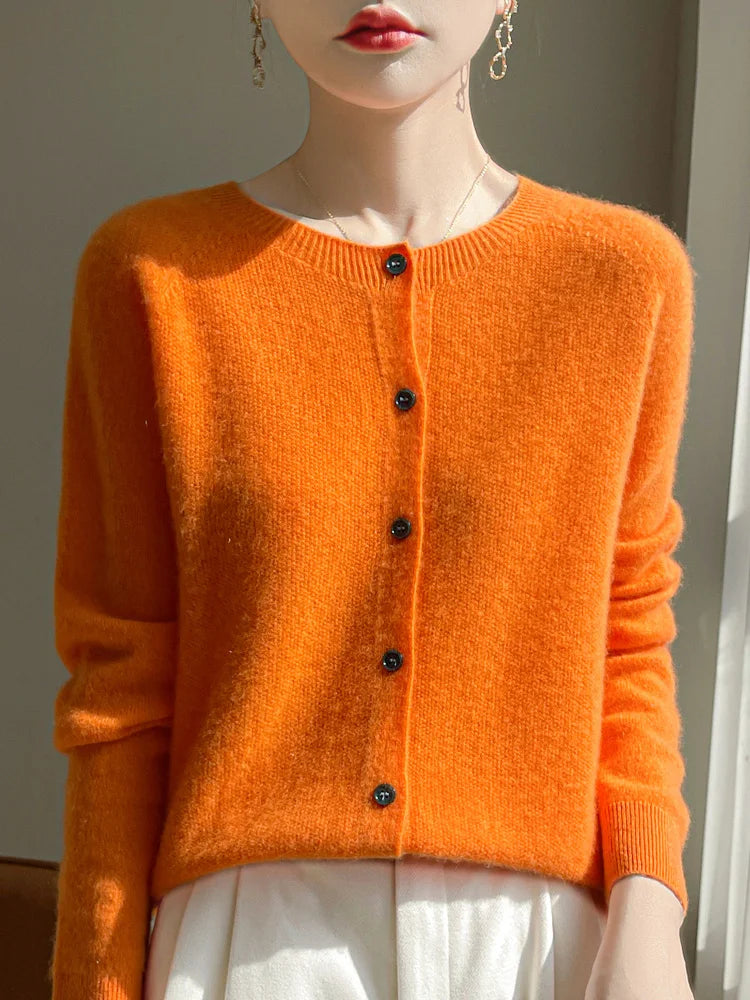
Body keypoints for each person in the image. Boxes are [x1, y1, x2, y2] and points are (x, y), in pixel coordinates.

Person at [49, 1, 697, 998]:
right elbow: (121, 684)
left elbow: (629, 635)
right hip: (249, 946)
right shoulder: (152, 276)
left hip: (537, 947)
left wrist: (650, 916)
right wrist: (90, 980)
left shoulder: (625, 281)